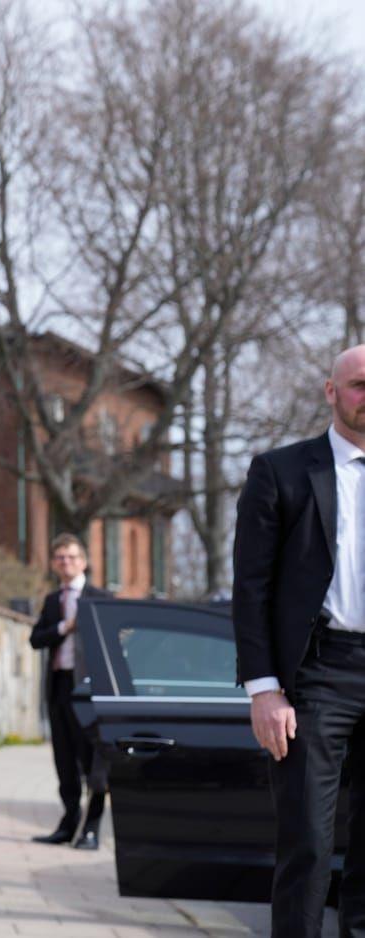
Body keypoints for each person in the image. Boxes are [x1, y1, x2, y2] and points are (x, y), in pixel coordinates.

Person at [234, 345, 365, 937]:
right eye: (359, 384)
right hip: (317, 677)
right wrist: (264, 690)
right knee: (308, 843)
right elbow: (251, 587)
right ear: (331, 391)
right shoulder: (282, 471)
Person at [28, 533, 110, 850]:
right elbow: (36, 639)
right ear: (53, 563)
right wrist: (64, 628)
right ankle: (69, 821)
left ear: (84, 562)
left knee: (93, 764)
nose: (66, 562)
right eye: (60, 557)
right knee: (64, 760)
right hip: (59, 685)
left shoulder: (99, 597)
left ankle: (91, 829)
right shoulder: (52, 601)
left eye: (72, 557)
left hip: (89, 690)